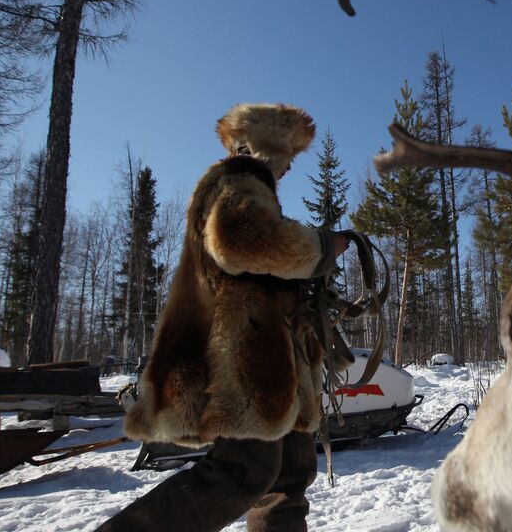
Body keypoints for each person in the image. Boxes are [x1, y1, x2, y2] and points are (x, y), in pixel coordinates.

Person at [97, 103, 350, 532]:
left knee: (289, 473)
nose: (289, 166)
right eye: (288, 152)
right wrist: (324, 247)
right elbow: (240, 241)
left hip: (272, 361)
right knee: (242, 470)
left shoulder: (249, 187)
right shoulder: (239, 180)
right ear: (268, 144)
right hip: (243, 360)